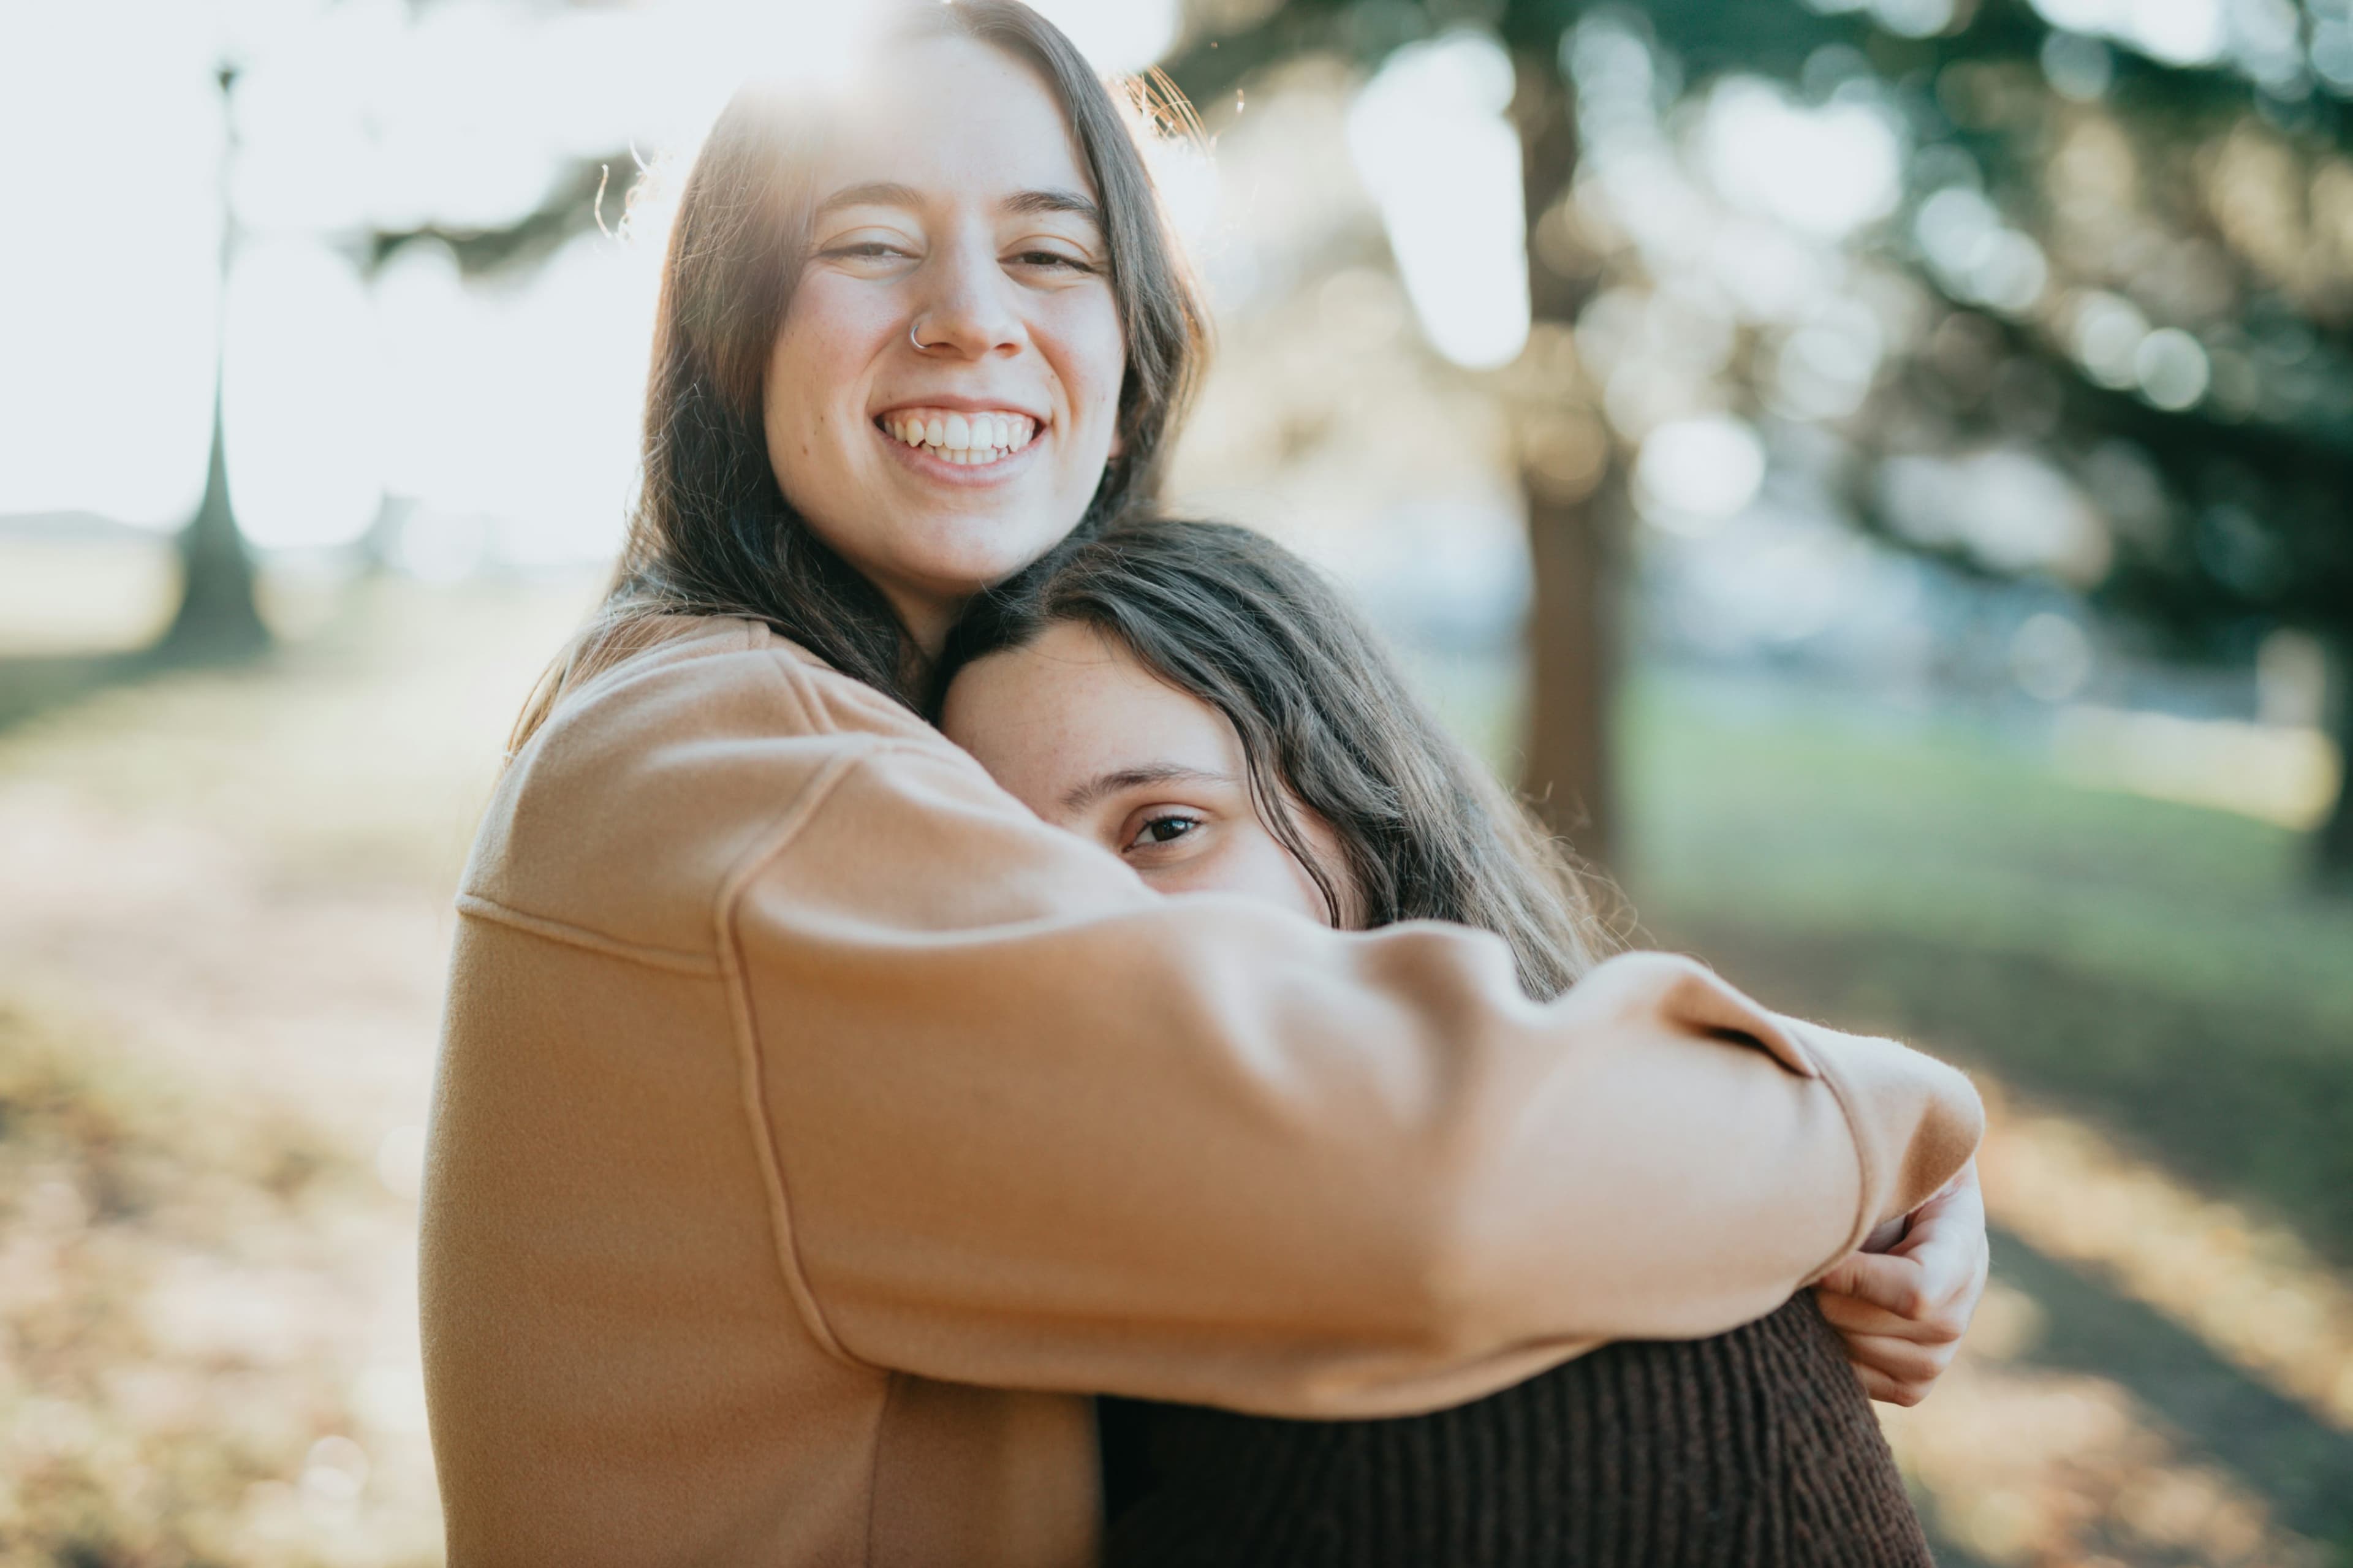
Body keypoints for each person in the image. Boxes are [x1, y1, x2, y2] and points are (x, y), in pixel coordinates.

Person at [420, 5, 1985, 1563]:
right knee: (1664, 1365)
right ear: (729, 330)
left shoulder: (806, 722)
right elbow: (1419, 1187)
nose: (972, 317)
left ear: (1132, 355)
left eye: (1051, 252)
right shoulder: (727, 767)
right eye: (872, 244)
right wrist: (1886, 1122)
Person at [936, 516, 1982, 1564]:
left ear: (1362, 811)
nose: (1086, 925)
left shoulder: (1583, 1359)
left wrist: (1891, 1138)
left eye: (1165, 828)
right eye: (1010, 867)